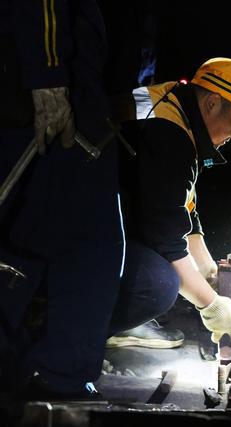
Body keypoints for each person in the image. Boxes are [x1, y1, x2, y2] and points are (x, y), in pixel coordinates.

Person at [0, 0, 123, 400]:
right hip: (57, 83)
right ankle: (59, 376)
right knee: (89, 243)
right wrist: (48, 73)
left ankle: (42, 372)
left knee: (32, 232)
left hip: (67, 79)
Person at [113, 57, 231, 348]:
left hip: (102, 218)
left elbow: (183, 210)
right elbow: (166, 239)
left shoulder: (174, 110)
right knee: (160, 284)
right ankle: (81, 327)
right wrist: (211, 304)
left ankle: (110, 313)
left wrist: (209, 272)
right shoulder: (168, 133)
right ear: (212, 103)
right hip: (78, 224)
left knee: (175, 273)